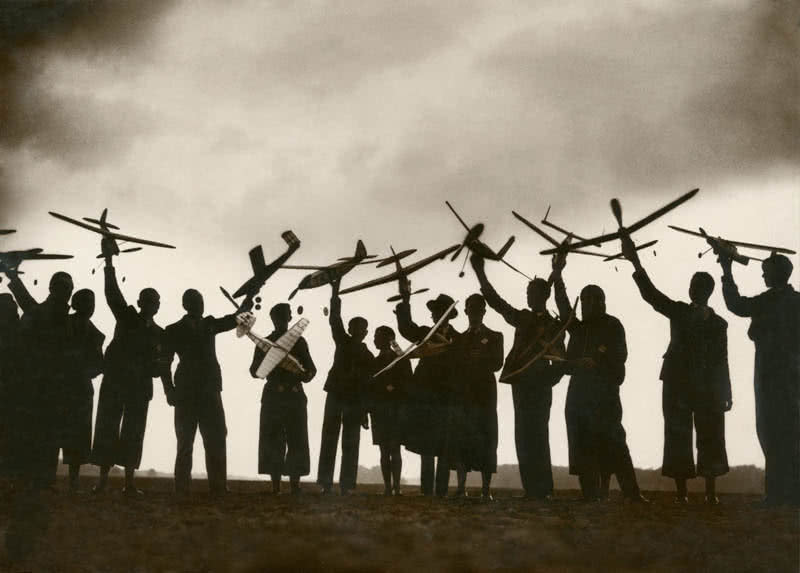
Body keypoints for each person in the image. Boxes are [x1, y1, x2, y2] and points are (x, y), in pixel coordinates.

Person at [621, 235, 731, 503]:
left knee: (710, 434)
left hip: (704, 385)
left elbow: (722, 360)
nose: (693, 290)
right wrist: (635, 261)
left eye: (697, 287)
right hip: (678, 382)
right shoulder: (681, 312)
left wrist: (726, 392)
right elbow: (652, 296)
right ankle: (683, 494)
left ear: (706, 291)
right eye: (692, 286)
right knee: (678, 433)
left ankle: (710, 493)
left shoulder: (718, 324)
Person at [551, 255, 647, 503]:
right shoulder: (578, 328)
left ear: (602, 303)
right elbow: (563, 306)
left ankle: (632, 493)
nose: (586, 305)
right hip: (579, 396)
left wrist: (597, 363)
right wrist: (558, 274)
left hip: (605, 395)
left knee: (615, 443)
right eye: (583, 301)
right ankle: (591, 494)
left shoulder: (613, 325)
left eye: (591, 301)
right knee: (582, 444)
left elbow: (620, 357)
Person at [470, 254, 565, 499]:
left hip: (541, 385)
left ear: (543, 296)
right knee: (522, 435)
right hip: (521, 382)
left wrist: (548, 380)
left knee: (539, 434)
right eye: (527, 293)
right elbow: (497, 302)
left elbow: (560, 361)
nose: (528, 297)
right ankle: (531, 489)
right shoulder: (523, 317)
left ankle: (544, 489)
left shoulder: (555, 326)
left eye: (532, 293)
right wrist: (480, 272)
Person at [717, 250, 800, 506]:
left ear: (775, 274)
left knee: (770, 432)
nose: (763, 276)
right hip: (794, 375)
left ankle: (776, 494)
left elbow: (736, 305)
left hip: (769, 374)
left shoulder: (768, 301)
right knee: (792, 433)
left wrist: (727, 270)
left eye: (765, 272)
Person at [91, 238, 163, 495]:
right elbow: (112, 293)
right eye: (148, 301)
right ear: (140, 303)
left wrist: (157, 369)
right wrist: (109, 261)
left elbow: (159, 365)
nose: (151, 305)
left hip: (139, 388)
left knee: (134, 433)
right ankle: (102, 481)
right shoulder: (126, 316)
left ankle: (129, 483)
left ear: (157, 306)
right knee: (107, 427)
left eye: (155, 302)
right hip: (116, 382)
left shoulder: (159, 333)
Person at [160, 289, 240, 496]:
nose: (201, 305)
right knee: (185, 441)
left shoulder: (210, 324)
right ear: (186, 305)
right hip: (185, 392)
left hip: (210, 390)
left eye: (201, 301)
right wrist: (169, 390)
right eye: (197, 301)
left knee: (217, 437)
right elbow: (164, 363)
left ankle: (218, 486)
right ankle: (182, 487)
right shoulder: (173, 330)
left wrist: (248, 300)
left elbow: (235, 319)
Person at [5, 267, 74, 490]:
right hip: (39, 383)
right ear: (53, 289)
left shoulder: (58, 314)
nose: (66, 292)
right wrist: (14, 278)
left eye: (68, 289)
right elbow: (28, 303)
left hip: (50, 384)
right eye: (63, 288)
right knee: (39, 432)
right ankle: (36, 479)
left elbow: (28, 304)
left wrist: (13, 278)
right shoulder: (49, 312)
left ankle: (41, 479)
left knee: (47, 432)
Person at [395, 292, 460, 497]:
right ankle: (426, 490)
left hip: (447, 398)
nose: (433, 315)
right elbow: (407, 328)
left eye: (437, 312)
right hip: (425, 397)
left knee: (444, 445)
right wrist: (405, 302)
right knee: (426, 443)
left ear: (446, 315)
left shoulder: (459, 339)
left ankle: (441, 490)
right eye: (433, 312)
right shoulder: (425, 333)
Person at [251, 303, 316, 494]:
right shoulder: (265, 342)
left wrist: (304, 375)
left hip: (291, 395)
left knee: (296, 439)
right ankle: (278, 486)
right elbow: (254, 371)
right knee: (276, 440)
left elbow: (311, 369)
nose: (282, 320)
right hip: (277, 395)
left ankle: (291, 485)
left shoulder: (298, 342)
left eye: (284, 316)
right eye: (280, 316)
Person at [317, 279, 373, 495]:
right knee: (332, 438)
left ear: (365, 332)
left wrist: (365, 411)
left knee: (348, 441)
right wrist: (335, 292)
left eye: (362, 329)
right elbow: (334, 319)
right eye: (356, 328)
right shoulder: (343, 340)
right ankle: (328, 483)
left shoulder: (367, 355)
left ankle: (344, 485)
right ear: (350, 330)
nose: (359, 331)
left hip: (352, 400)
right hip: (337, 395)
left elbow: (368, 385)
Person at [447, 293, 503, 500]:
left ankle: (486, 489)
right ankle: (461, 487)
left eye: (479, 309)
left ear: (484, 312)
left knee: (487, 436)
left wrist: (480, 359)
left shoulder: (496, 336)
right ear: (466, 311)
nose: (475, 312)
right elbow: (454, 366)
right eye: (471, 308)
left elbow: (497, 363)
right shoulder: (459, 339)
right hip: (464, 395)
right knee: (462, 438)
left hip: (485, 394)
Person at [60, 289, 105, 492]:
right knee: (67, 434)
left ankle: (71, 482)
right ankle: (68, 482)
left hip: (76, 387)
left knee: (76, 436)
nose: (91, 307)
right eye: (88, 302)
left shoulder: (93, 333)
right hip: (67, 386)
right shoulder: (65, 325)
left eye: (92, 303)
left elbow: (99, 365)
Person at [368, 325, 411, 496]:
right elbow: (370, 386)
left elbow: (408, 382)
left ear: (388, 339)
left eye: (378, 336)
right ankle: (388, 486)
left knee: (394, 449)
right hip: (379, 410)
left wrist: (396, 389)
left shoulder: (401, 359)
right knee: (384, 450)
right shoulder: (374, 362)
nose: (374, 339)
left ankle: (397, 486)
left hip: (396, 409)